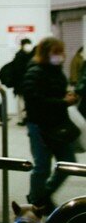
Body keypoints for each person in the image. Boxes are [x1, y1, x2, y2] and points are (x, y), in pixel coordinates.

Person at [20, 37, 80, 213]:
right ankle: (37, 202)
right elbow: (33, 100)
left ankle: (41, 197)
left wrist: (68, 96)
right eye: (55, 52)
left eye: (61, 52)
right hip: (39, 125)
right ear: (46, 53)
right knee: (42, 166)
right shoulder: (35, 71)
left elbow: (57, 93)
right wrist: (62, 102)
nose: (60, 56)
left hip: (58, 125)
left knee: (69, 162)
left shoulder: (57, 72)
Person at [10, 38, 34, 124]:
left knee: (23, 100)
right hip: (23, 83)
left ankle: (25, 117)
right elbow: (17, 71)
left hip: (24, 82)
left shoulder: (26, 55)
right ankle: (24, 118)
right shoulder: (24, 55)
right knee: (22, 100)